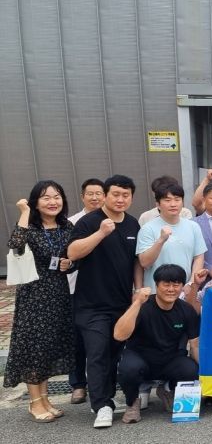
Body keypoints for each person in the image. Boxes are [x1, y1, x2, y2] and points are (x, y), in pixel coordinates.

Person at [67, 174, 143, 428]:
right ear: (105, 196)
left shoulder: (132, 224)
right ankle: (102, 405)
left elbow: (136, 261)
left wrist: (138, 290)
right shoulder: (90, 221)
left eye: (126, 195)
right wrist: (100, 233)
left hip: (121, 303)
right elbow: (72, 252)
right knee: (97, 352)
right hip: (91, 305)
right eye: (115, 194)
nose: (120, 199)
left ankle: (106, 397)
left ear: (131, 197)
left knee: (114, 352)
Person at [4, 181, 75, 423]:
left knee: (48, 347)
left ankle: (45, 399)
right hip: (34, 295)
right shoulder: (31, 227)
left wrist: (70, 263)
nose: (53, 202)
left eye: (57, 196)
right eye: (46, 198)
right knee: (34, 347)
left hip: (59, 294)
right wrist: (24, 212)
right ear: (35, 202)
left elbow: (74, 256)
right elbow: (15, 245)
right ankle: (35, 402)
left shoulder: (67, 227)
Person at [115, 264, 200, 424]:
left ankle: (168, 390)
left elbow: (194, 345)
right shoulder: (142, 306)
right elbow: (119, 335)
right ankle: (132, 402)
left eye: (176, 284)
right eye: (166, 284)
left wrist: (202, 376)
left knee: (191, 369)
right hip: (140, 359)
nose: (171, 289)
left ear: (182, 286)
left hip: (170, 360)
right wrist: (136, 303)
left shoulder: (186, 310)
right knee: (128, 369)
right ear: (156, 285)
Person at [67, 178, 105, 404]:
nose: (95, 197)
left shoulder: (114, 221)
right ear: (82, 197)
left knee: (102, 340)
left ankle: (103, 382)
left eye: (99, 193)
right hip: (75, 289)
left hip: (104, 290)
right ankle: (78, 384)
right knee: (77, 338)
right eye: (90, 193)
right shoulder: (72, 223)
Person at [137, 183, 207, 293]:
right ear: (158, 204)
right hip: (156, 293)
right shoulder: (147, 228)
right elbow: (144, 262)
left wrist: (191, 284)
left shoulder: (193, 226)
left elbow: (199, 257)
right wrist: (161, 240)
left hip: (184, 292)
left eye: (177, 199)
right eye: (167, 200)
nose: (173, 204)